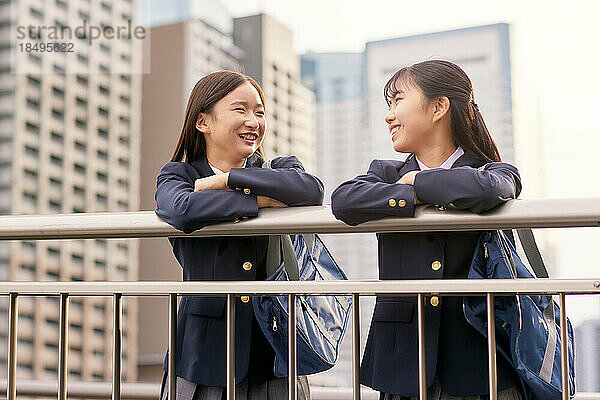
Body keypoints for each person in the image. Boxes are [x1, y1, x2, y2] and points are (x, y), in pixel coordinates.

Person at [330, 60, 523, 400]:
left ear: (438, 107)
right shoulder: (385, 172)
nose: (388, 115)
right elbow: (344, 201)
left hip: (477, 361)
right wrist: (409, 193)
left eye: (398, 100)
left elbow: (493, 189)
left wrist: (419, 182)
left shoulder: (490, 170)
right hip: (404, 361)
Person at [154, 70, 322, 400]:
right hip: (202, 356)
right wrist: (261, 201)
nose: (253, 121)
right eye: (240, 109)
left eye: (259, 112)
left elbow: (312, 191)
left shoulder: (280, 167)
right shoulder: (180, 174)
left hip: (274, 352)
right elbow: (181, 210)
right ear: (203, 121)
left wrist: (226, 181)